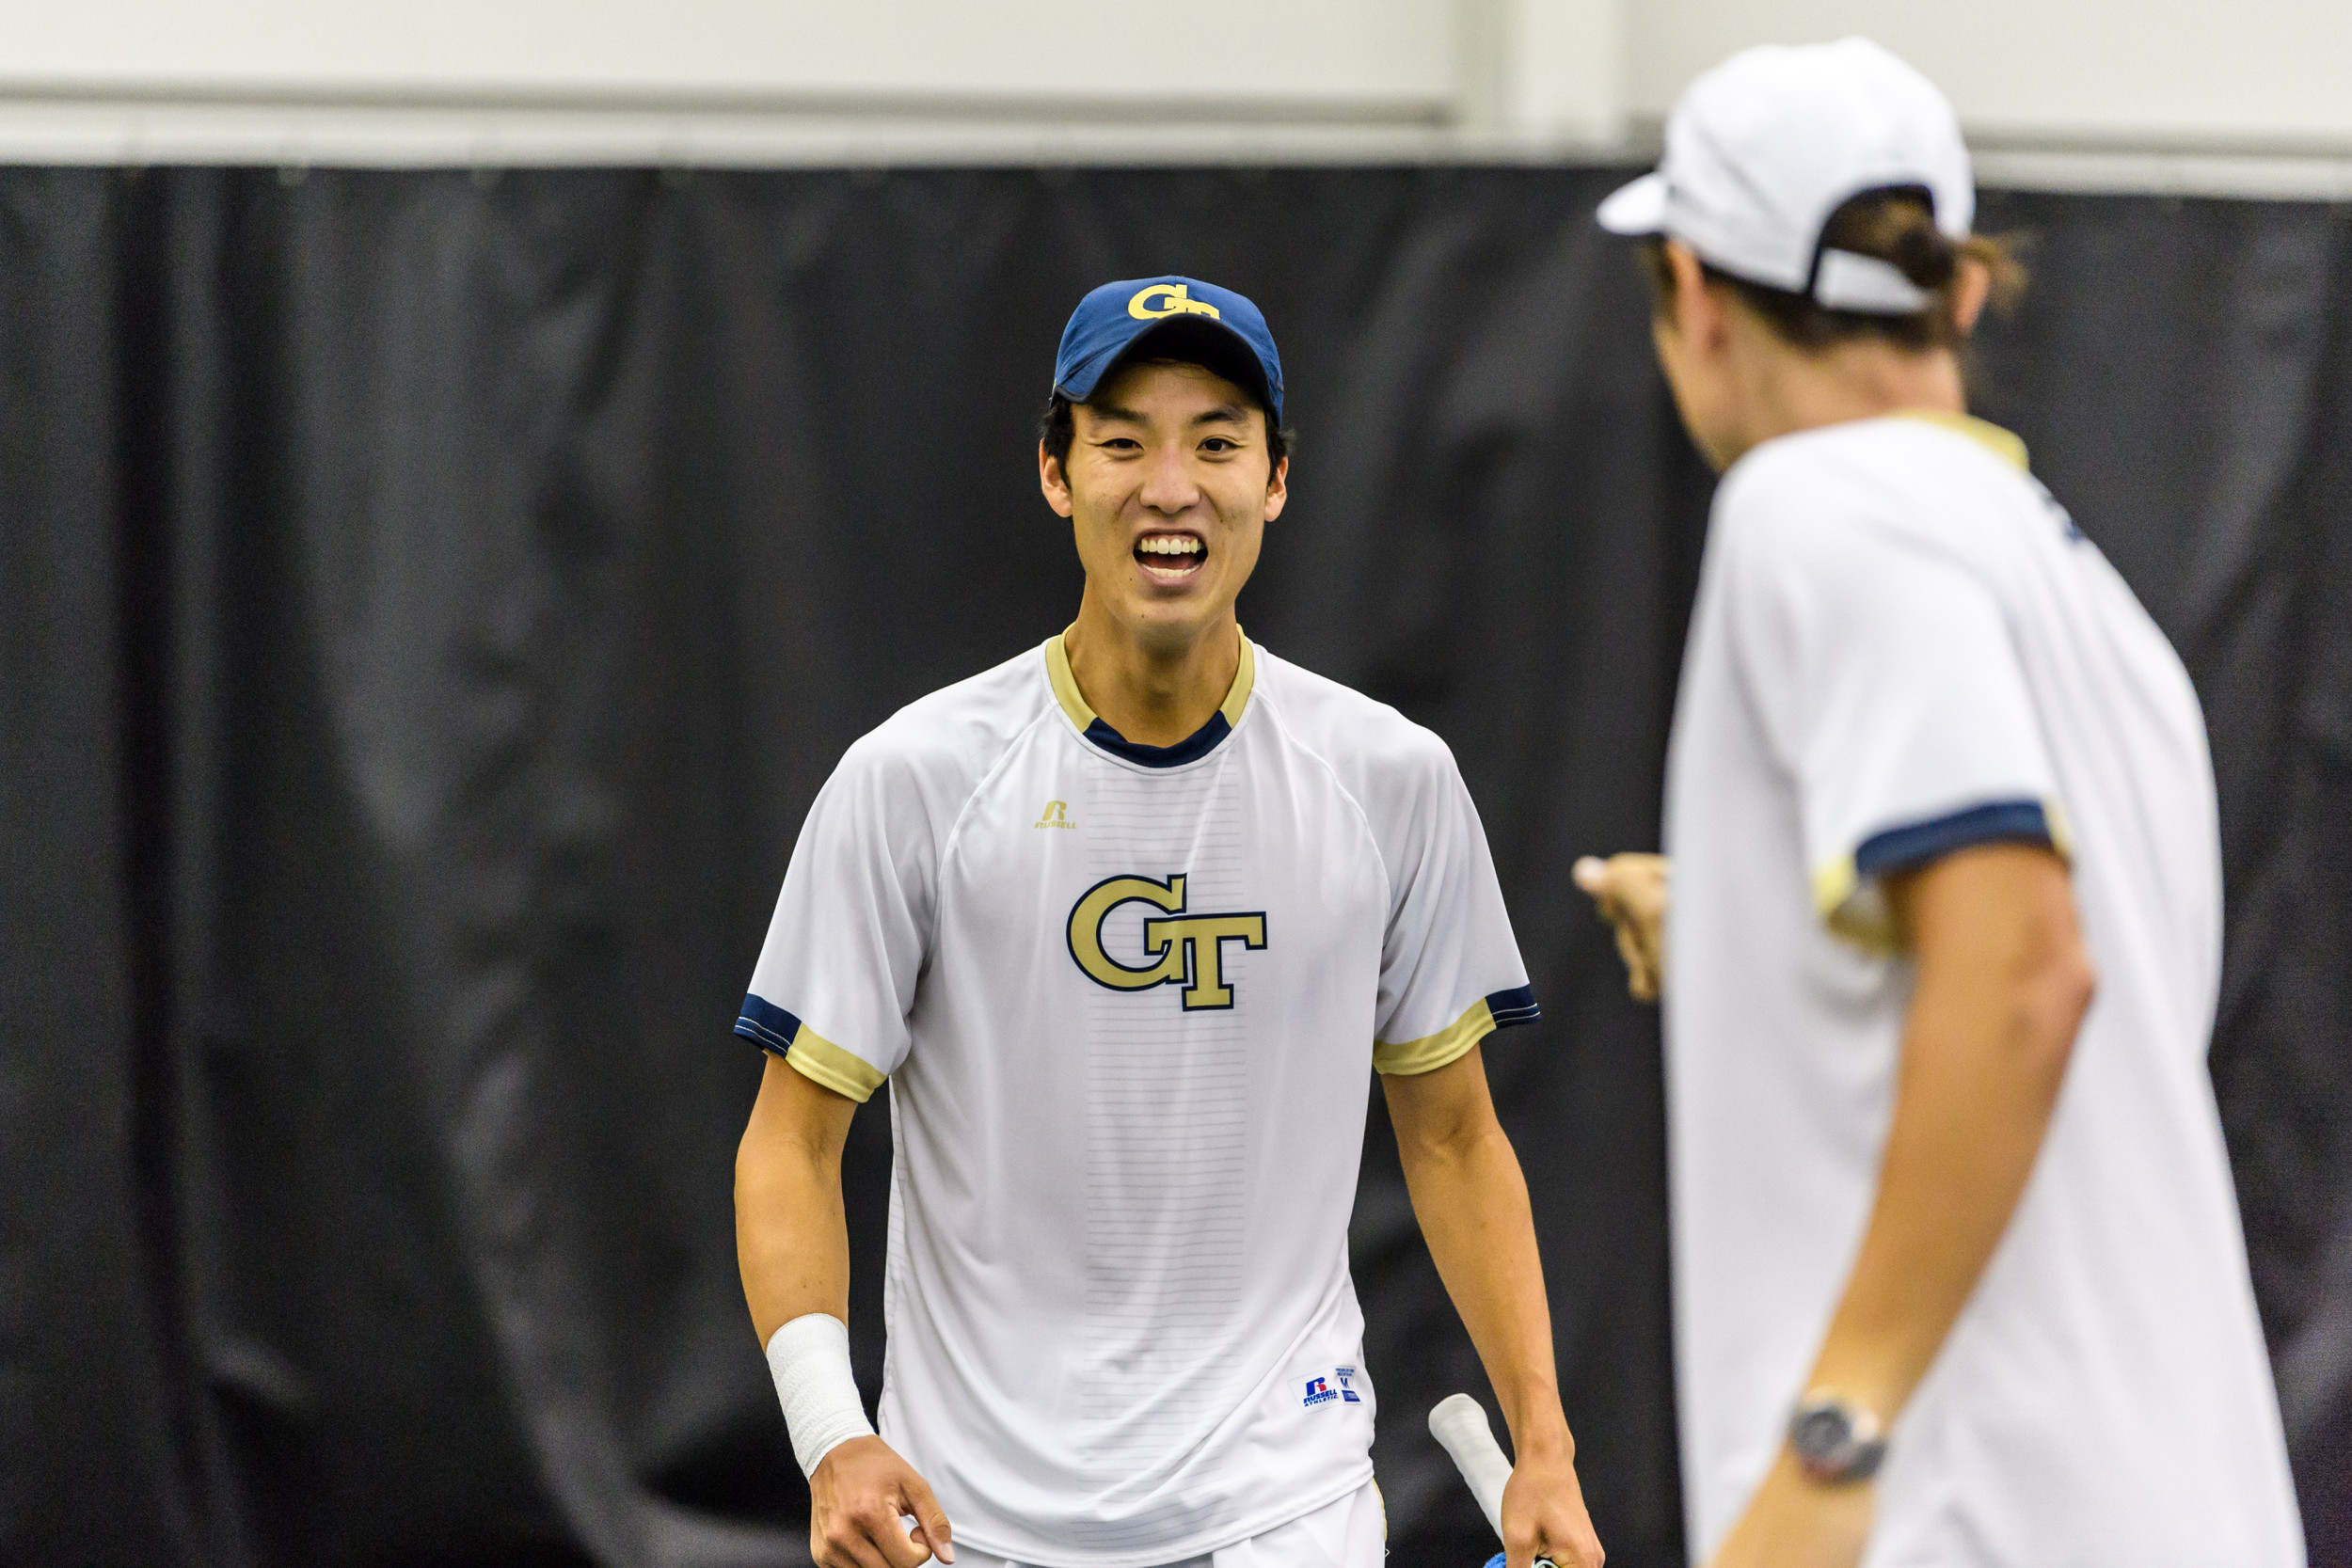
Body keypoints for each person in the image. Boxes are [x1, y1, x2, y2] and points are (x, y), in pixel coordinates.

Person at [733, 275, 1605, 1568]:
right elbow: (789, 1146)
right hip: (971, 1521)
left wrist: (1544, 1444)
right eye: (1124, 440)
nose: (1171, 484)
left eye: (1217, 442)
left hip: (1283, 1508)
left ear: (1277, 481)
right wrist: (831, 1435)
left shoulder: (1390, 778)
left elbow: (1459, 1138)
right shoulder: (910, 780)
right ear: (1054, 472)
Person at [1577, 39, 2306, 1568]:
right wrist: (1738, 936)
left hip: (1965, 1518)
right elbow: (2017, 981)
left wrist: (1834, 1444)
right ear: (1957, 295)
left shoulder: (1816, 507)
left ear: (1697, 295)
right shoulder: (2078, 590)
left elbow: (2028, 978)